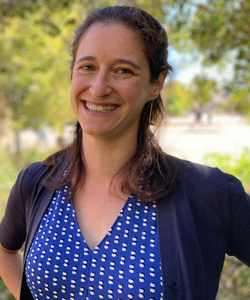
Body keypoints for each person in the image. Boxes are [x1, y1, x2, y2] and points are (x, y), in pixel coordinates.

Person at [0, 6, 249, 300]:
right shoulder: (37, 182)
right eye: (88, 67)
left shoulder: (209, 193)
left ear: (156, 84)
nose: (99, 87)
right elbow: (5, 250)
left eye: (123, 71)